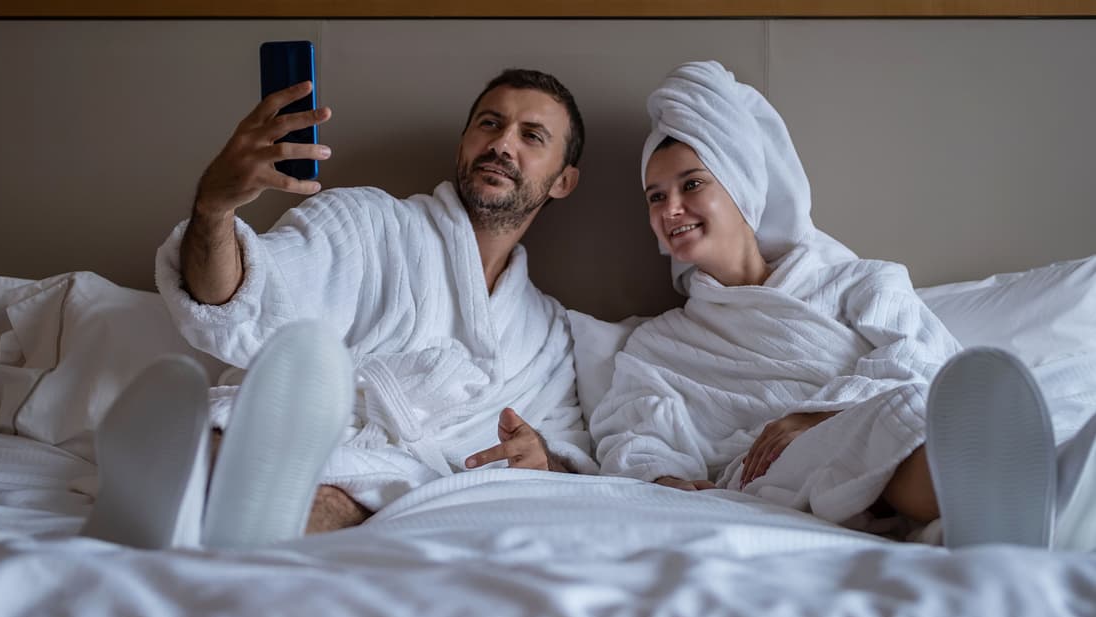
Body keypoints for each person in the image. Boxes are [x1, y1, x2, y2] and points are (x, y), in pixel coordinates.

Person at [82, 68, 597, 550]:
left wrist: (541, 459)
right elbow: (238, 304)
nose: (501, 143)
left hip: (402, 480)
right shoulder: (365, 222)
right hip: (295, 432)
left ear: (562, 181)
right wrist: (214, 209)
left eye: (531, 136)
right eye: (489, 123)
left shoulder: (547, 333)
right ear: (464, 144)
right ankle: (190, 484)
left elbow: (568, 448)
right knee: (244, 436)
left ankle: (176, 509)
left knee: (355, 490)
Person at [589, 60, 1096, 549]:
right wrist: (664, 479)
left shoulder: (863, 283)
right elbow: (632, 432)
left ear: (741, 186)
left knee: (907, 411)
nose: (670, 209)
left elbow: (928, 359)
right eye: (655, 197)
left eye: (692, 184)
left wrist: (818, 413)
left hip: (888, 423)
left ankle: (1015, 498)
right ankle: (1031, 503)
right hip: (775, 468)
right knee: (873, 429)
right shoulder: (662, 342)